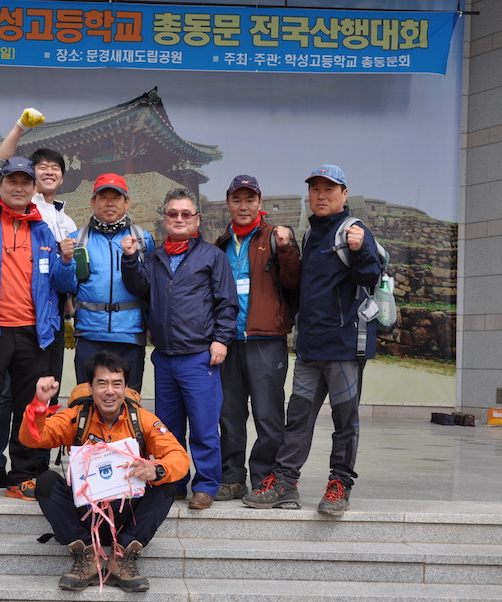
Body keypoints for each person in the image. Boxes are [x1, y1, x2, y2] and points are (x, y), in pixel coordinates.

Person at [244, 164, 381, 516]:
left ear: (344, 194)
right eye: (315, 189)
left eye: (329, 189)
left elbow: (371, 276)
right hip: (309, 348)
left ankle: (340, 486)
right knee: (297, 420)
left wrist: (361, 249)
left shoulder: (353, 230)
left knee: (345, 421)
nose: (321, 195)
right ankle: (285, 481)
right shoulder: (311, 234)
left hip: (344, 348)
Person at [19, 351, 189, 592]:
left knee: (166, 485)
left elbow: (179, 457)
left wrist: (157, 469)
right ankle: (87, 556)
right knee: (46, 480)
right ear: (90, 388)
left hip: (127, 514)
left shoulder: (142, 420)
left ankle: (123, 557)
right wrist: (39, 404)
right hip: (85, 514)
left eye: (117, 384)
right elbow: (33, 438)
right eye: (102, 383)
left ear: (126, 387)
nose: (110, 391)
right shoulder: (77, 417)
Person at [0, 157, 74, 502]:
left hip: (34, 333)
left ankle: (22, 476)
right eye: (12, 181)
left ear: (34, 189)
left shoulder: (43, 231)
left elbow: (62, 284)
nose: (19, 188)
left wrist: (67, 261)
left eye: (26, 182)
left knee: (29, 408)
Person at [120, 188, 237, 510]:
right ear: (164, 219)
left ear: (197, 219)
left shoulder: (212, 256)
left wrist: (221, 339)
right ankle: (174, 482)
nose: (179, 219)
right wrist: (129, 259)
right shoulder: (155, 257)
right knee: (167, 430)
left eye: (186, 214)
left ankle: (206, 486)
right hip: (165, 358)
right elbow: (139, 287)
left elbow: (227, 303)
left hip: (199, 357)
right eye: (173, 213)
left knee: (203, 428)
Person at [214, 175, 301, 501]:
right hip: (229, 342)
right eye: (237, 200)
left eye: (250, 199)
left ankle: (266, 479)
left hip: (266, 340)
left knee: (268, 415)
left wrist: (288, 248)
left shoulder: (276, 237)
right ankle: (232, 477)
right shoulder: (221, 243)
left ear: (260, 203)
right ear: (228, 203)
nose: (243, 206)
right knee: (229, 414)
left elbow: (294, 282)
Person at [64, 173, 155, 392]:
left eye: (116, 197)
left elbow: (150, 287)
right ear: (93, 202)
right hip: (89, 334)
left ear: (127, 202)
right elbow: (64, 285)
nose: (110, 203)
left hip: (130, 335)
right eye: (103, 197)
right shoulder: (78, 239)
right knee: (87, 399)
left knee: (128, 400)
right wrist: (64, 261)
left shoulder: (143, 239)